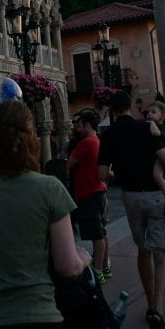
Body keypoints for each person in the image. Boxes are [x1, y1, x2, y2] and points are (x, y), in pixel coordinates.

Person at [0, 99, 89, 329]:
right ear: (31, 138)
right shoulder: (50, 188)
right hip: (37, 316)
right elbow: (68, 266)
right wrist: (84, 259)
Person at [98, 90, 165, 329]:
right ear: (130, 106)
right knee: (160, 253)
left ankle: (150, 301)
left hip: (130, 197)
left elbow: (102, 175)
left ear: (112, 109)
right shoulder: (146, 128)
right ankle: (157, 309)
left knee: (143, 249)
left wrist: (117, 172)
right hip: (155, 195)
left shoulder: (108, 135)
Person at [66, 108, 109, 283]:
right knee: (101, 232)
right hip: (98, 191)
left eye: (80, 124)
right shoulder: (97, 141)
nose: (77, 127)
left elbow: (69, 164)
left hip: (89, 192)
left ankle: (97, 272)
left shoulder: (86, 143)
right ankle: (104, 267)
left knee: (97, 235)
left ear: (88, 125)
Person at [145, 102, 165, 216]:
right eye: (149, 112)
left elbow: (155, 133)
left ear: (162, 116)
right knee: (158, 176)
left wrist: (151, 123)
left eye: (153, 112)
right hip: (159, 155)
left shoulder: (161, 128)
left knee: (157, 175)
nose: (149, 114)